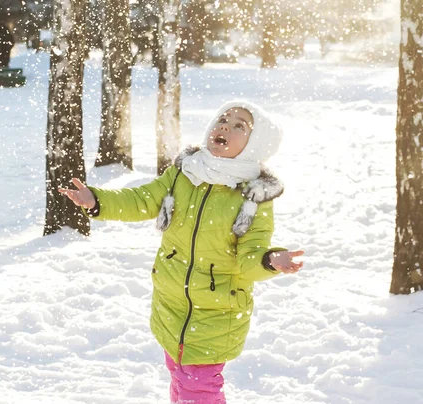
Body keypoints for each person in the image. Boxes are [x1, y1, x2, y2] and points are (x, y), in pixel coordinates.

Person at [59, 100, 304, 404]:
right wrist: (97, 200)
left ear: (255, 145)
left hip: (215, 313)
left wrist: (270, 260)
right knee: (179, 375)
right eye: (222, 118)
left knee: (199, 390)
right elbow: (142, 199)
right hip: (171, 302)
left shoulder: (253, 197)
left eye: (239, 125)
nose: (225, 125)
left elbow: (250, 256)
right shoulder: (184, 173)